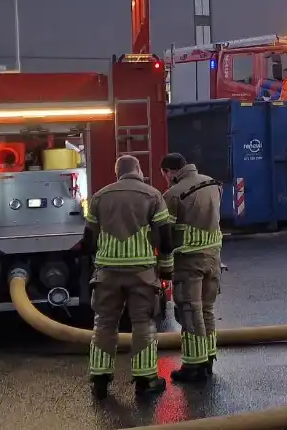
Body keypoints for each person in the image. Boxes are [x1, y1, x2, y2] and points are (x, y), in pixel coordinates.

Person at [83, 154, 174, 399]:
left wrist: (98, 263)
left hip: (107, 273)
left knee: (104, 323)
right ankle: (145, 380)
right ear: (138, 170)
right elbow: (165, 238)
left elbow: (88, 240)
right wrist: (166, 269)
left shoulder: (99, 197)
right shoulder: (153, 195)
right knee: (143, 323)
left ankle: (100, 379)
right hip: (141, 273)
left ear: (117, 172)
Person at [159, 153, 224, 384]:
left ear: (168, 171)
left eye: (165, 175)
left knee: (190, 311)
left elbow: (166, 234)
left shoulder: (173, 195)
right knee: (207, 310)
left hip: (188, 261)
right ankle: (207, 360)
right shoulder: (214, 184)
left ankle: (193, 366)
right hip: (214, 258)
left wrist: (163, 267)